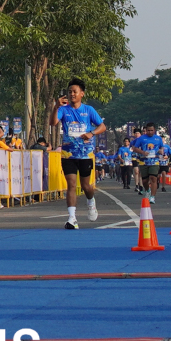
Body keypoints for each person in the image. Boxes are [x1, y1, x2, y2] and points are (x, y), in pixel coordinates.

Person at [53, 80, 106, 229]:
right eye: (69, 92)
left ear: (81, 94)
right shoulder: (63, 109)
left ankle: (91, 202)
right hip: (68, 154)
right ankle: (72, 218)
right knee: (71, 184)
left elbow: (102, 126)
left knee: (85, 186)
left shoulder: (88, 110)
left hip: (85, 154)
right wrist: (56, 107)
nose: (72, 94)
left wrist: (91, 133)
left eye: (75, 91)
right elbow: (53, 123)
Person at [131, 122, 167, 194]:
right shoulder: (141, 138)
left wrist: (161, 151)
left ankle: (152, 196)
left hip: (154, 161)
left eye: (151, 130)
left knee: (153, 178)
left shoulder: (158, 138)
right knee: (145, 181)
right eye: (148, 130)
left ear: (154, 130)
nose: (150, 132)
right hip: (143, 161)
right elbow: (135, 148)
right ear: (146, 130)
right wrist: (143, 152)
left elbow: (162, 148)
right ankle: (147, 190)